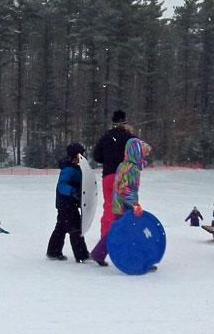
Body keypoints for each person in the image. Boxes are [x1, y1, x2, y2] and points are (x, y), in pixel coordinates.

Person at [90, 138, 152, 267]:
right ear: (136, 154)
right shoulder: (132, 169)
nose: (144, 157)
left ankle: (98, 253)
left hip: (119, 205)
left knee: (117, 231)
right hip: (126, 207)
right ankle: (140, 260)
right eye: (143, 154)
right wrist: (134, 204)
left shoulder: (123, 165)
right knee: (133, 233)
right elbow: (125, 189)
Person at [92, 109, 135, 238]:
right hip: (127, 176)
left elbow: (96, 156)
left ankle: (106, 238)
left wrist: (108, 160)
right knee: (127, 208)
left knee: (109, 207)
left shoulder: (106, 137)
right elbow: (141, 155)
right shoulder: (131, 138)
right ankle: (125, 236)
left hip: (109, 175)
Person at [46, 143, 91, 262]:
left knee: (61, 227)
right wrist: (73, 192)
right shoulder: (68, 169)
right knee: (76, 228)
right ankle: (81, 255)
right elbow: (62, 186)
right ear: (73, 157)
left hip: (68, 204)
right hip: (67, 204)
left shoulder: (76, 168)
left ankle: (53, 252)